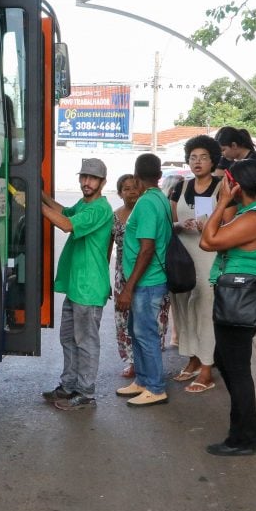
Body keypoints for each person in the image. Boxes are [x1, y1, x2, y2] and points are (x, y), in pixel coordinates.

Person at [199, 157, 256, 456]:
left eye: (226, 179)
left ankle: (243, 438)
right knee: (227, 361)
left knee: (237, 370)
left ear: (234, 184)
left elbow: (208, 241)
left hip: (240, 299)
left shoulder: (254, 218)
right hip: (244, 297)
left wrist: (221, 201)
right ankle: (250, 428)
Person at [41, 158, 114, 410]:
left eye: (92, 178)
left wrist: (33, 205)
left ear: (102, 182)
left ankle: (86, 393)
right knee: (69, 339)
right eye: (83, 177)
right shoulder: (84, 204)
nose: (86, 182)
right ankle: (68, 386)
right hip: (77, 286)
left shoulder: (100, 209)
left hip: (89, 287)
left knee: (86, 341)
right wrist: (41, 196)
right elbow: (65, 212)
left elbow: (65, 224)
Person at [115, 154, 173, 407]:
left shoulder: (148, 203)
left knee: (145, 334)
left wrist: (128, 287)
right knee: (136, 332)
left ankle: (156, 387)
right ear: (159, 176)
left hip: (147, 282)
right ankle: (143, 380)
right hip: (147, 280)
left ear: (137, 179)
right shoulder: (160, 197)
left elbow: (147, 248)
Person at [169, 134, 222, 393]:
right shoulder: (180, 187)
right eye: (193, 158)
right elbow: (168, 222)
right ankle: (191, 358)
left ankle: (207, 368)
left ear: (213, 161)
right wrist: (180, 225)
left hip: (208, 256)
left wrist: (209, 225)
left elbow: (229, 222)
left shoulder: (222, 187)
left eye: (203, 158)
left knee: (204, 309)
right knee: (183, 309)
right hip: (182, 256)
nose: (198, 162)